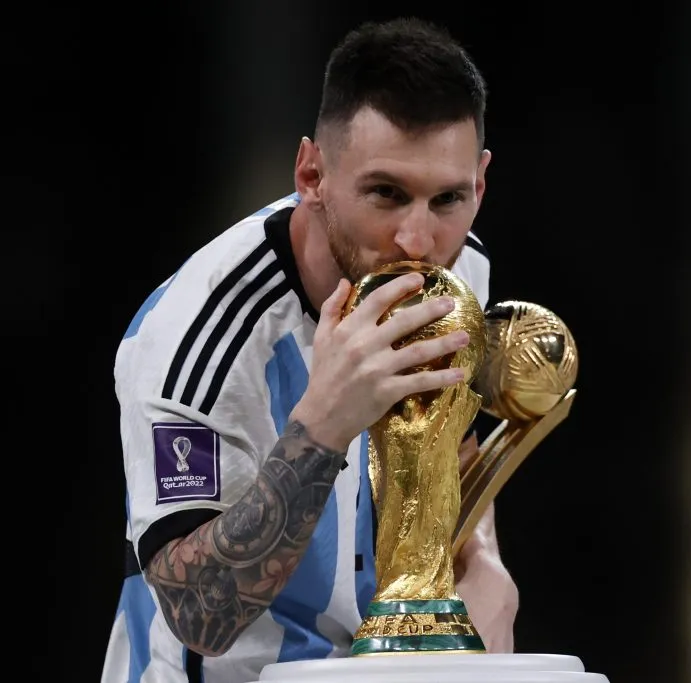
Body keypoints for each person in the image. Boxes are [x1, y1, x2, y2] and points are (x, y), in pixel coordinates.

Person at [101, 17, 518, 683]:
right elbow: (198, 614)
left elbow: (451, 442)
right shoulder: (193, 337)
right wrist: (323, 424)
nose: (417, 239)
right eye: (386, 193)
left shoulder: (461, 268)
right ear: (312, 173)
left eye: (448, 198)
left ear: (482, 183)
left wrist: (485, 561)